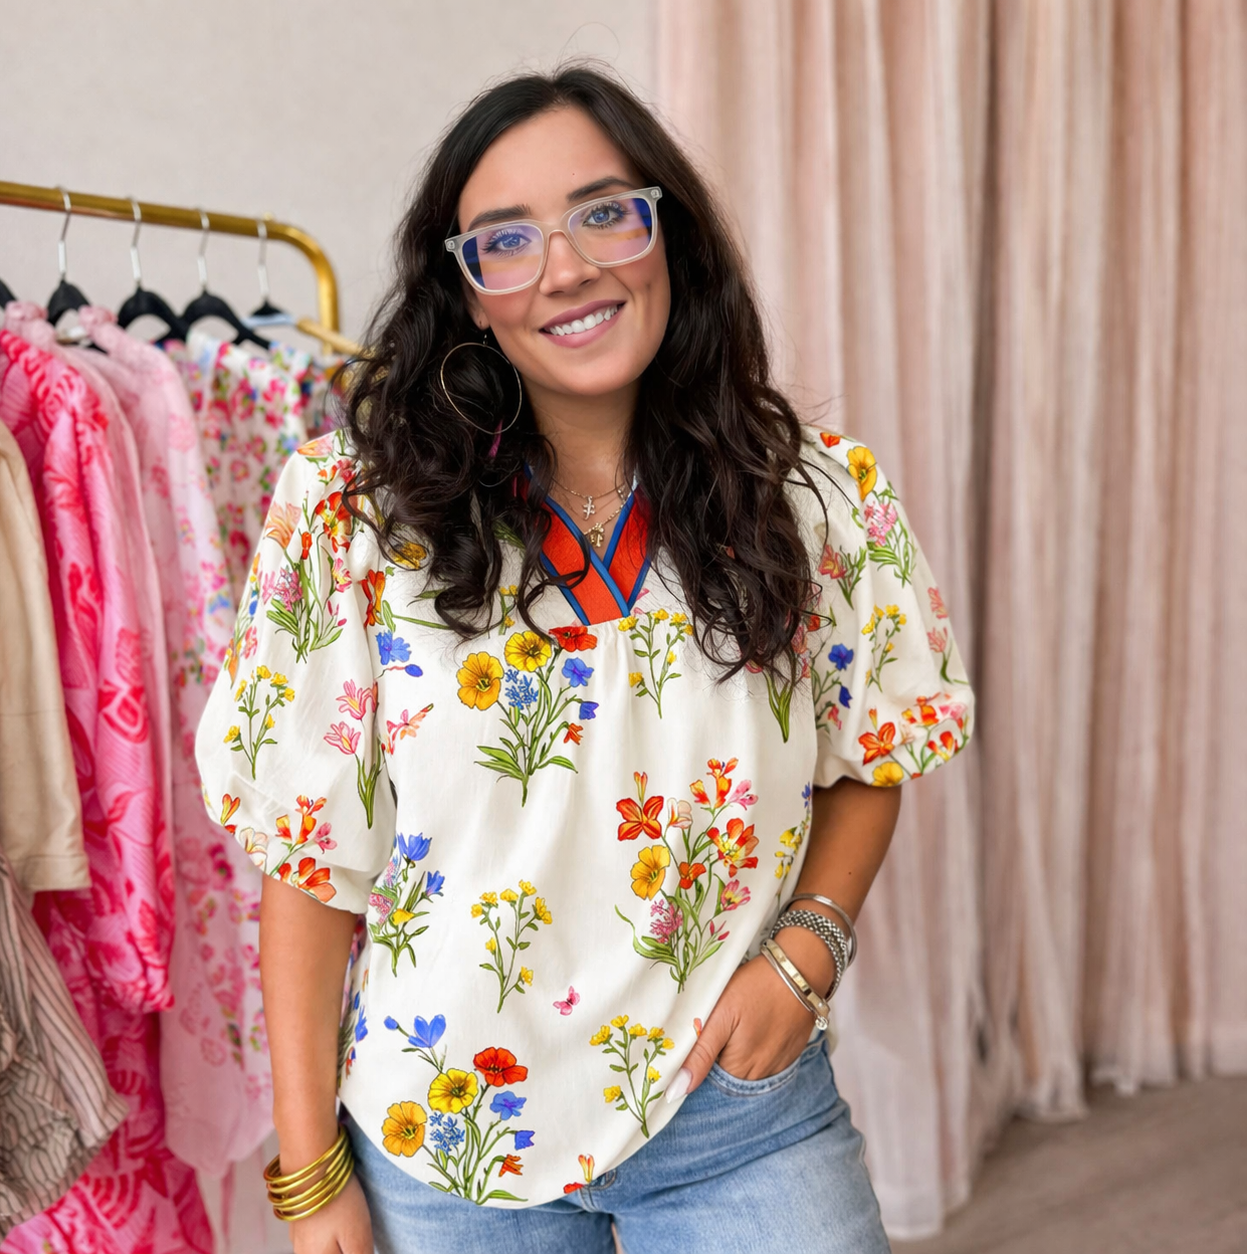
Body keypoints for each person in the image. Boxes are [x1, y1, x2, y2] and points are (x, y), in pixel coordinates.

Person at [197, 64, 973, 1254]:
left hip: (740, 1120)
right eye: (506, 240)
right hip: (444, 1150)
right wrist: (311, 1184)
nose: (566, 267)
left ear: (670, 233)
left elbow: (875, 742)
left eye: (605, 212)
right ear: (466, 293)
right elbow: (309, 866)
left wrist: (811, 943)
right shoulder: (349, 515)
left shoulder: (817, 500)